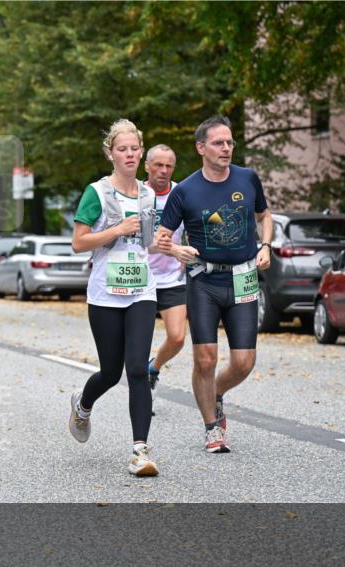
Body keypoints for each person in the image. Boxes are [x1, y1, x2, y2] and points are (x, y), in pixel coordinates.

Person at [155, 115, 273, 453]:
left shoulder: (248, 179)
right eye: (219, 143)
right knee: (205, 358)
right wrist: (177, 249)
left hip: (243, 278)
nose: (226, 148)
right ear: (201, 147)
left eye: (230, 142)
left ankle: (216, 393)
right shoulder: (186, 191)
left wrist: (265, 245)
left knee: (244, 362)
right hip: (204, 280)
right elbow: (162, 238)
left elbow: (264, 217)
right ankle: (212, 428)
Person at [68, 119, 161, 477]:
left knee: (137, 369)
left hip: (142, 289)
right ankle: (83, 404)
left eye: (134, 148)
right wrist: (117, 228)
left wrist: (177, 249)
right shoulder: (97, 192)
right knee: (111, 372)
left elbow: (150, 242)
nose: (129, 154)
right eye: (122, 149)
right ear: (111, 152)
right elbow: (79, 242)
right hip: (106, 294)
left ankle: (140, 451)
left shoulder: (149, 194)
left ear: (141, 151)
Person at [143, 145, 188, 415]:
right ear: (146, 166)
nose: (163, 171)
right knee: (139, 339)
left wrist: (189, 250)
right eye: (158, 165)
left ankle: (153, 368)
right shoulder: (136, 193)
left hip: (172, 277)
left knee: (178, 337)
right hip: (141, 279)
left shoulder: (182, 193)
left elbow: (193, 226)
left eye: (169, 166)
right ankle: (141, 393)